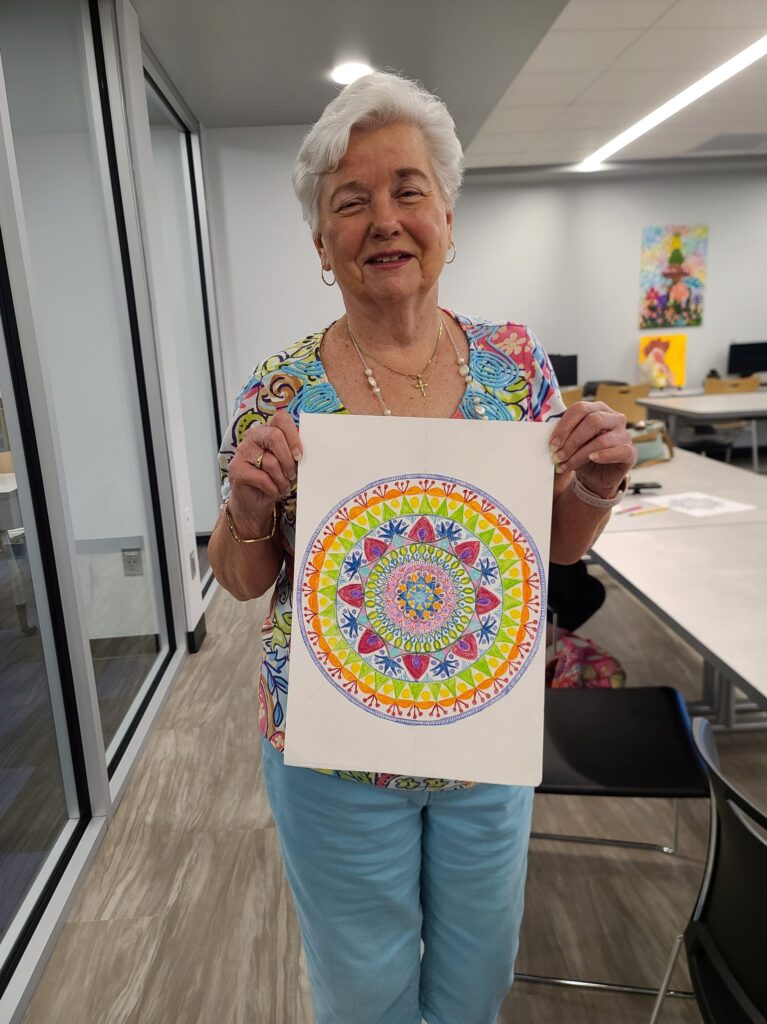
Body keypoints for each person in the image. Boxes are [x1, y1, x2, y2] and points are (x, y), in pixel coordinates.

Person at [208, 71, 636, 1024]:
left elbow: (552, 549)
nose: (384, 219)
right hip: (333, 747)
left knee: (477, 977)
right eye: (349, 202)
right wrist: (245, 505)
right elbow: (242, 582)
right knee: (364, 989)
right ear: (321, 243)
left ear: (447, 213)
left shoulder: (514, 362)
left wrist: (595, 486)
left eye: (407, 189)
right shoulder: (279, 387)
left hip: (480, 731)